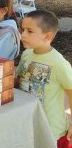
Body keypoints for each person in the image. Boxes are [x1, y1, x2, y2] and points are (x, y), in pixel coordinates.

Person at [16, 10, 72, 147]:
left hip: (52, 130)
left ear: (47, 36)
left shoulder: (59, 64)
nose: (23, 35)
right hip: (27, 123)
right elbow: (18, 81)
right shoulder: (26, 55)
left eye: (30, 31)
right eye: (22, 29)